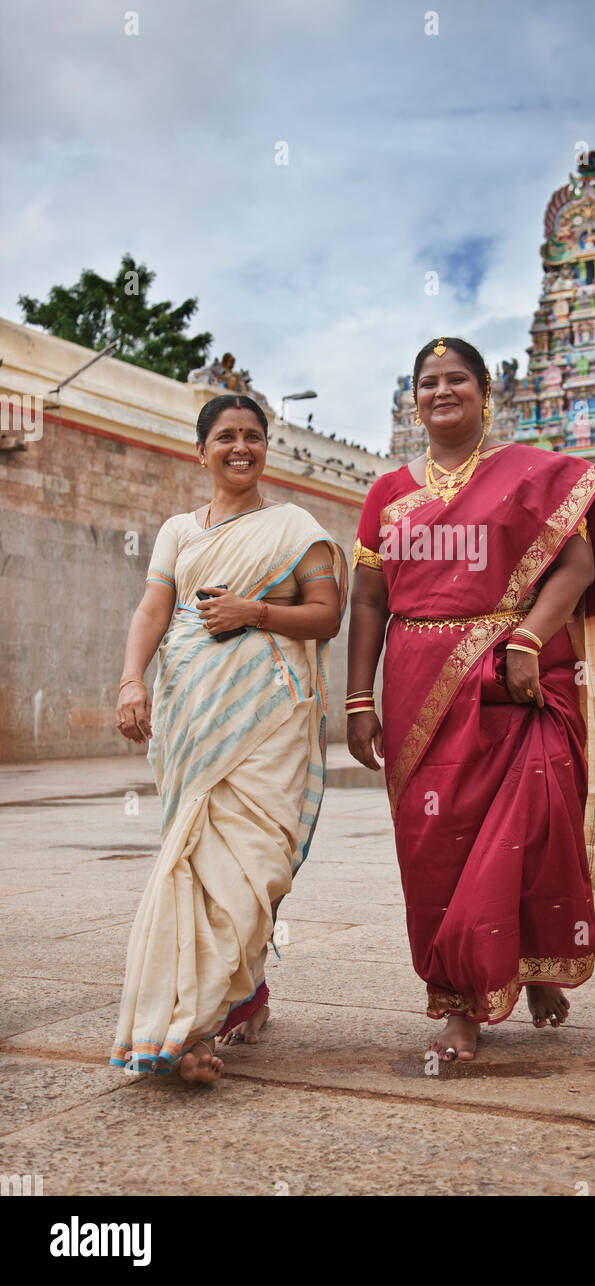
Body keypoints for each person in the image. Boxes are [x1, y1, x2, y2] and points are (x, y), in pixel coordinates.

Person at [347, 337, 595, 1062]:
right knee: (435, 848)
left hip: (517, 679)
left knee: (532, 829)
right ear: (413, 398)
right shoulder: (385, 494)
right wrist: (355, 699)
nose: (443, 391)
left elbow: (578, 562)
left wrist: (529, 638)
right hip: (417, 687)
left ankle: (513, 976)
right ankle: (459, 995)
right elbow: (369, 599)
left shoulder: (532, 475)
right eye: (429, 382)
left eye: (458, 379)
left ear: (484, 393)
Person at [111, 394, 346, 1082]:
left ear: (265, 448)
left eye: (252, 436)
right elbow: (155, 607)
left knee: (253, 868)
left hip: (270, 720)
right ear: (202, 449)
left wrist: (256, 611)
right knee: (196, 865)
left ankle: (207, 1015)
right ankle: (198, 1025)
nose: (239, 447)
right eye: (225, 437)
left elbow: (327, 614)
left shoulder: (294, 525)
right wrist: (132, 681)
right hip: (192, 716)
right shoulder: (179, 530)